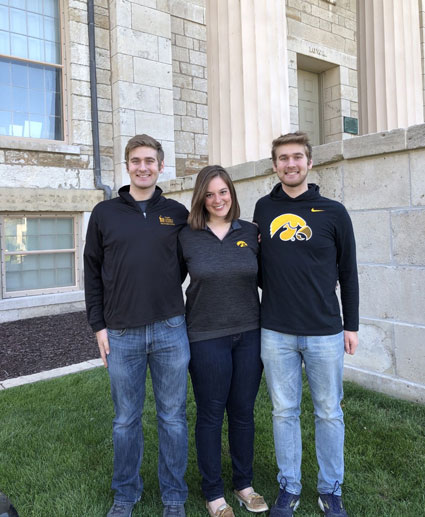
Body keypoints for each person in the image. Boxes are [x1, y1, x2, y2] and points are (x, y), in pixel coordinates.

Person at [253, 132, 359, 517]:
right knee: (284, 412)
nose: (291, 164)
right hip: (276, 330)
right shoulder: (263, 209)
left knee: (329, 411)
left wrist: (352, 325)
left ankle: (330, 489)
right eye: (283, 158)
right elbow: (260, 267)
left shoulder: (334, 211)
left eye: (297, 157)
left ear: (309, 163)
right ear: (275, 165)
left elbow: (348, 272)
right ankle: (289, 488)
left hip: (325, 331)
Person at [84, 134, 190, 517]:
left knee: (173, 418)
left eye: (150, 160)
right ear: (126, 166)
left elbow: (186, 262)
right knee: (125, 420)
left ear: (162, 166)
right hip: (121, 334)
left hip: (170, 329)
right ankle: (125, 494)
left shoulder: (177, 212)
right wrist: (99, 325)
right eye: (135, 160)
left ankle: (174, 496)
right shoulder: (105, 213)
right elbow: (92, 271)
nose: (142, 167)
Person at [179, 165, 268, 517]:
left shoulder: (251, 232)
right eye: (210, 194)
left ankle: (243, 484)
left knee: (243, 413)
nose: (218, 199)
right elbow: (168, 280)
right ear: (201, 198)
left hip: (250, 334)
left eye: (224, 192)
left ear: (232, 193)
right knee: (211, 414)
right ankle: (213, 492)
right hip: (206, 337)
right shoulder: (187, 235)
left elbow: (270, 278)